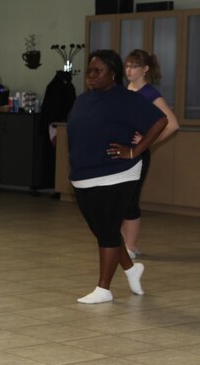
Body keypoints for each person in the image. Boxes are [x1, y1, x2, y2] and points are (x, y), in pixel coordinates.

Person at [68, 50, 167, 304]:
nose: (91, 75)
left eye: (98, 70)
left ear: (113, 74)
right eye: (90, 70)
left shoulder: (127, 99)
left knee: (108, 230)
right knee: (102, 229)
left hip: (117, 174)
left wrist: (135, 150)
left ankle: (104, 289)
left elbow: (160, 121)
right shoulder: (83, 99)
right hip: (83, 176)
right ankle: (132, 269)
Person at [122, 49, 179, 258]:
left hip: (138, 153)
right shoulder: (126, 91)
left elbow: (172, 124)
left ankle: (130, 245)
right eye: (127, 65)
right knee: (121, 197)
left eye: (134, 66)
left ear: (145, 69)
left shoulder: (150, 94)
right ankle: (127, 244)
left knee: (131, 199)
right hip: (125, 152)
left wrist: (147, 143)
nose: (129, 70)